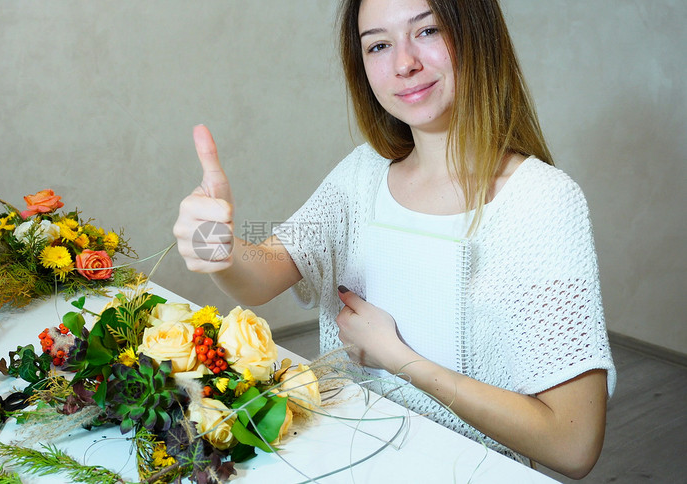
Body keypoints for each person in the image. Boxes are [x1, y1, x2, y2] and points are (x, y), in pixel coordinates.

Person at [173, 0, 615, 479]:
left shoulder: (542, 201)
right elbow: (265, 272)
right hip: (345, 460)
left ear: (478, 35)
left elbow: (573, 443)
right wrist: (219, 250)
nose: (404, 63)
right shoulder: (361, 175)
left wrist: (398, 358)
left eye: (427, 31)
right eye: (379, 45)